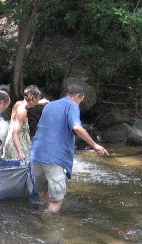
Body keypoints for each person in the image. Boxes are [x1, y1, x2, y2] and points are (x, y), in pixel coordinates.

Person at [29, 84, 109, 213]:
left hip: (36, 155)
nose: (80, 103)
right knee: (57, 200)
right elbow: (76, 127)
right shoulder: (72, 105)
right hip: (53, 157)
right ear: (77, 96)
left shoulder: (49, 105)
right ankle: (46, 227)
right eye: (81, 100)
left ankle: (41, 218)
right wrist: (95, 145)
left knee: (47, 193)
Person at [0, 85, 48, 164]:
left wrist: (39, 102)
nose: (37, 101)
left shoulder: (18, 104)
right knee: (19, 168)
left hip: (8, 141)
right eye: (37, 99)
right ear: (32, 98)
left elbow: (28, 104)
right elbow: (15, 133)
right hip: (16, 144)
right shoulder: (22, 112)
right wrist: (19, 152)